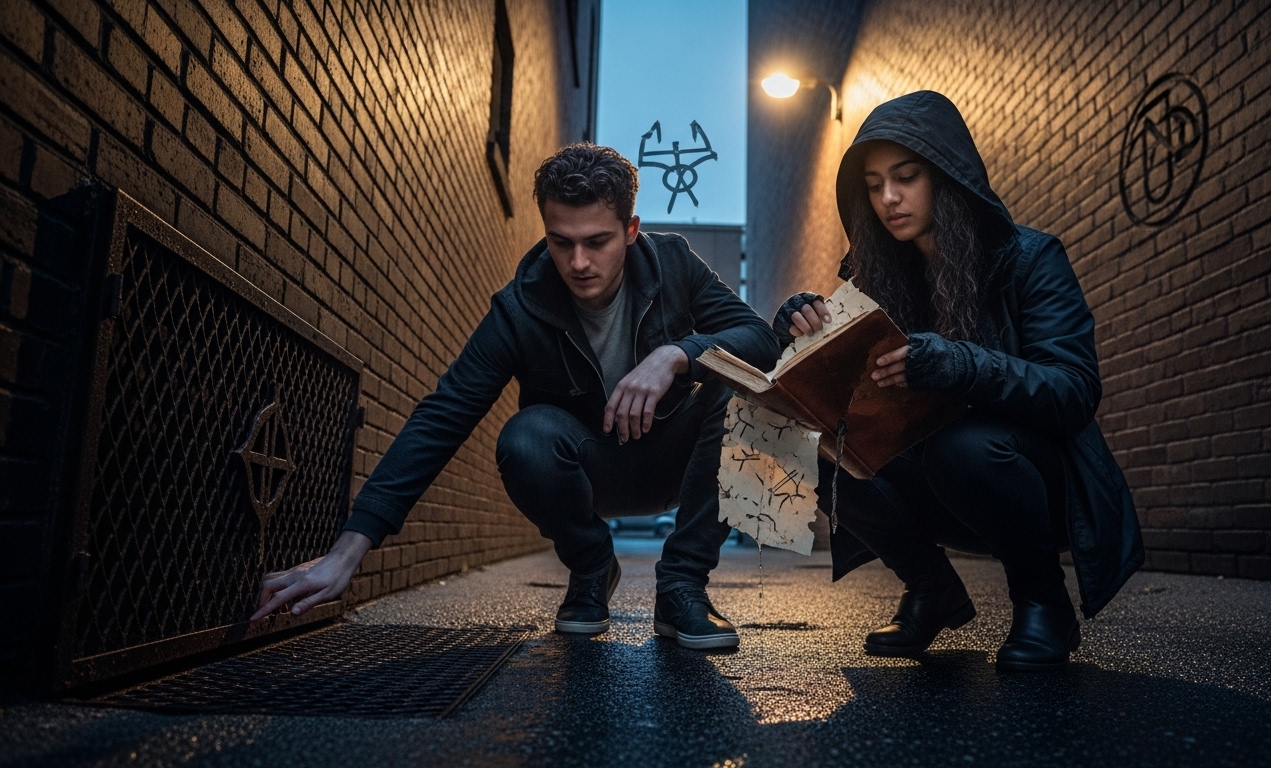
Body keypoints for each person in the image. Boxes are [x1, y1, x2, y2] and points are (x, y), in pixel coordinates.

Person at [253, 144, 779, 650]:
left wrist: (675, 356)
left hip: (676, 459)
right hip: (587, 468)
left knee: (744, 399)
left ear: (632, 232)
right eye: (560, 242)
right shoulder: (520, 307)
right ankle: (593, 567)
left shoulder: (674, 264)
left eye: (597, 242)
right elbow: (444, 414)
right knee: (525, 437)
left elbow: (759, 339)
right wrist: (347, 550)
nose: (577, 262)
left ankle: (682, 587)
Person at [775, 91, 1143, 671]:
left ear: (944, 173)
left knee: (961, 444)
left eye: (906, 176)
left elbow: (1073, 392)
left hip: (1034, 483)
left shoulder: (1029, 258)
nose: (889, 198)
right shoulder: (882, 280)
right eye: (873, 185)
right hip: (937, 484)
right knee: (809, 447)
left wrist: (960, 364)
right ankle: (930, 589)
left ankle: (1044, 603)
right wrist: (802, 332)